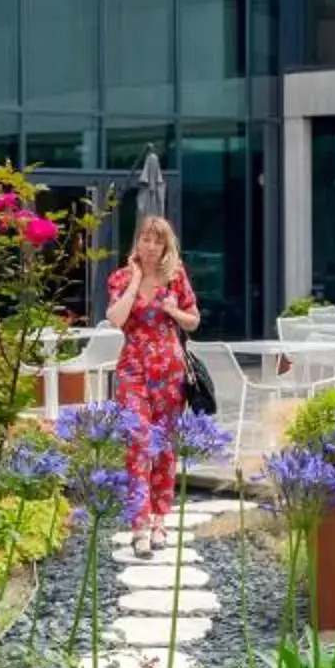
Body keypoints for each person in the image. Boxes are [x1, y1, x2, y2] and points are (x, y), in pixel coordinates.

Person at [104, 215, 200, 556]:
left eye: (157, 240)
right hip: (133, 366)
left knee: (163, 445)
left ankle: (160, 521)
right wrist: (135, 282)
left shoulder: (176, 278)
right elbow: (115, 319)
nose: (150, 246)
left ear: (165, 245)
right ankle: (139, 525)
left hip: (169, 368)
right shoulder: (120, 277)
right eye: (145, 239)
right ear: (137, 242)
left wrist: (174, 311)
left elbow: (194, 320)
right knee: (138, 441)